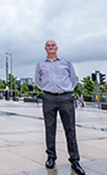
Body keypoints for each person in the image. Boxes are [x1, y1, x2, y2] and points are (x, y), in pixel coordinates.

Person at [34, 40, 85, 175]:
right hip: (49, 98)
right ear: (45, 48)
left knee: (70, 130)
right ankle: (51, 157)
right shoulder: (40, 64)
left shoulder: (66, 62)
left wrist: (66, 90)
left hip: (65, 98)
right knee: (50, 129)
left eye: (53, 45)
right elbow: (37, 81)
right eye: (48, 46)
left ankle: (75, 160)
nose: (51, 47)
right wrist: (47, 89)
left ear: (57, 48)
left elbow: (73, 78)